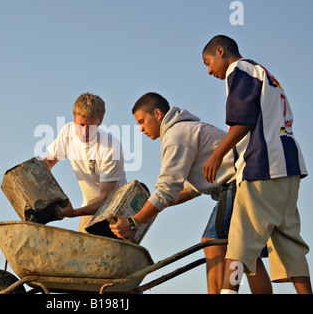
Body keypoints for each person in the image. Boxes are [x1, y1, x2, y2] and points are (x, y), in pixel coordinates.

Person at [109, 92, 272, 294]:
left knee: (212, 241)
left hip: (238, 183)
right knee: (249, 255)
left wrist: (134, 222)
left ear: (157, 114)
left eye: (142, 121)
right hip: (253, 182)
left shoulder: (176, 135)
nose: (141, 128)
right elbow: (189, 189)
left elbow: (166, 190)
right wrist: (149, 208)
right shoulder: (187, 130)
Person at [201, 35, 311, 294]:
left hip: (261, 166)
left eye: (208, 62)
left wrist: (217, 155)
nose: (209, 71)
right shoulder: (265, 74)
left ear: (220, 51)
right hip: (289, 168)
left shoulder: (239, 70)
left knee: (239, 243)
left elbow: (244, 119)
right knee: (288, 242)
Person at [42, 93, 127, 232]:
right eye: (81, 125)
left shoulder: (111, 148)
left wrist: (74, 213)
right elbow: (47, 163)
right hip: (89, 207)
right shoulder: (67, 132)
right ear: (74, 117)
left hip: (116, 211)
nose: (85, 131)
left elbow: (106, 199)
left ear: (100, 121)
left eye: (90, 126)